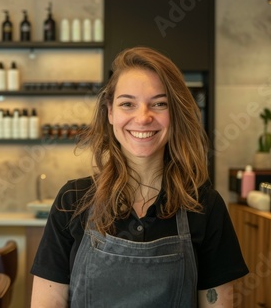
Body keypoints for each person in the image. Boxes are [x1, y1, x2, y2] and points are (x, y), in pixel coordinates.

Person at [30, 46, 248, 307]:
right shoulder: (73, 201)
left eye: (159, 103)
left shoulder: (205, 206)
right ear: (110, 113)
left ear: (175, 114)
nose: (143, 117)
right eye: (127, 104)